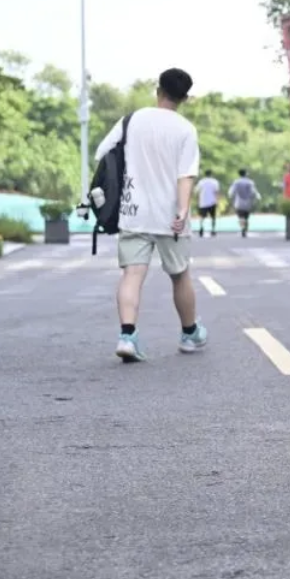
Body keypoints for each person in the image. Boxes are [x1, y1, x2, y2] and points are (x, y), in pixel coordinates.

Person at [93, 68, 207, 363]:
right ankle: (189, 334)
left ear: (158, 91)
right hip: (170, 215)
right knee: (180, 275)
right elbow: (186, 175)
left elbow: (102, 153)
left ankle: (127, 336)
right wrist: (182, 210)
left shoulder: (132, 120)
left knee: (132, 273)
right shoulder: (185, 129)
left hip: (134, 210)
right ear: (184, 98)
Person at [227, 169, 260, 237]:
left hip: (238, 202)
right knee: (246, 217)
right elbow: (253, 191)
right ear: (245, 174)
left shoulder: (236, 182)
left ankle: (242, 228)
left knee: (240, 217)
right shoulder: (250, 182)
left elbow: (231, 191)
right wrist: (256, 197)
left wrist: (230, 196)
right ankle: (245, 229)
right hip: (248, 202)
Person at [194, 169, 220, 237]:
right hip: (212, 202)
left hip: (203, 202)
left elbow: (196, 191)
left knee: (202, 216)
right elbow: (216, 192)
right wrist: (217, 201)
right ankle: (213, 230)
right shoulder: (214, 182)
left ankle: (201, 228)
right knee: (213, 217)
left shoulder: (201, 182)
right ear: (211, 174)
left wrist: (198, 199)